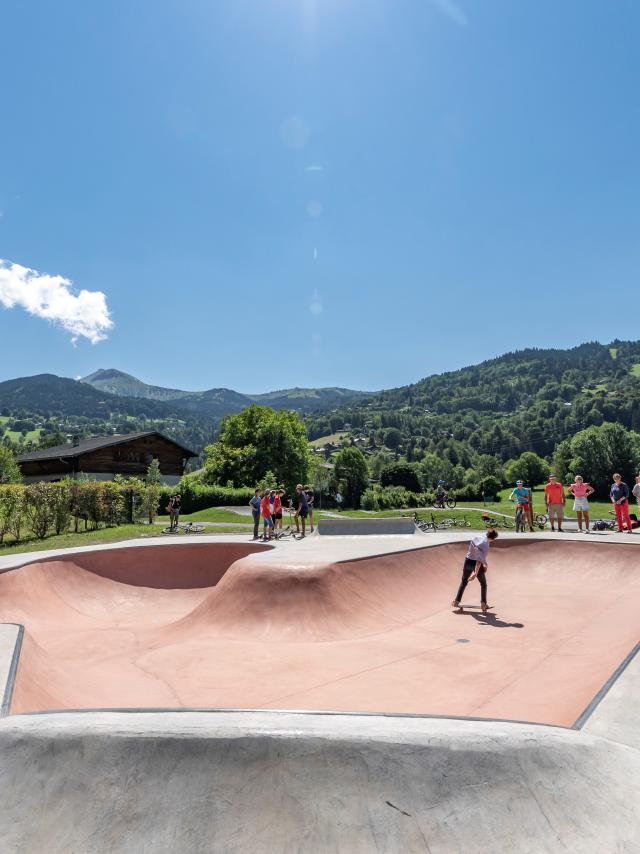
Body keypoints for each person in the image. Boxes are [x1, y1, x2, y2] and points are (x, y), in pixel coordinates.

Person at [451, 529, 499, 614]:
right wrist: (475, 573)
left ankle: (456, 601)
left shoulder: (479, 537)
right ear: (492, 539)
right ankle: (483, 603)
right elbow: (479, 560)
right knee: (483, 584)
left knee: (463, 582)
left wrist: (484, 563)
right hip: (475, 564)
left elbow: (475, 548)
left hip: (468, 561)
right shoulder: (485, 545)